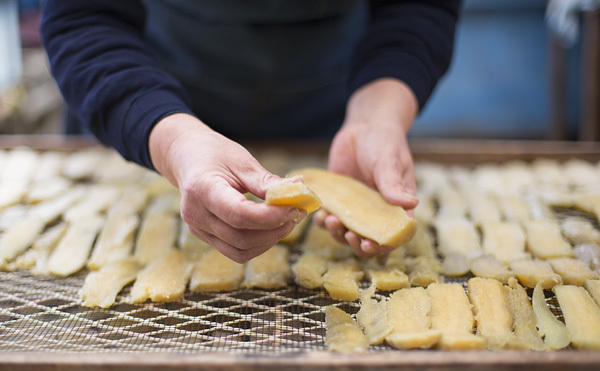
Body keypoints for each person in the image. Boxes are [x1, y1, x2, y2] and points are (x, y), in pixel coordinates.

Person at [41, 0, 460, 263]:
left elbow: (418, 8)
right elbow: (83, 16)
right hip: (145, 101)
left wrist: (378, 114)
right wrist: (173, 140)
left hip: (334, 108)